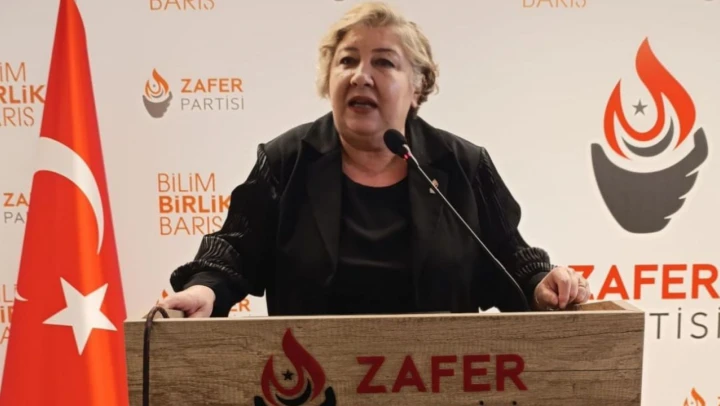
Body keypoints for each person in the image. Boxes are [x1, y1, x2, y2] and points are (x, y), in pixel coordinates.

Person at [159, 1, 591, 318]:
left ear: (417, 86)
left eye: (383, 62)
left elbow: (509, 259)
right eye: (347, 61)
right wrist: (204, 290)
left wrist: (541, 283)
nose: (360, 75)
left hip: (439, 381)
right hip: (313, 384)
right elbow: (234, 251)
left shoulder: (462, 164)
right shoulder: (286, 161)